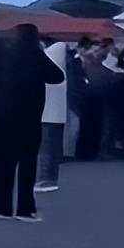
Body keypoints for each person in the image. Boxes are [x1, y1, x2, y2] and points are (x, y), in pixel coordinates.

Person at [0, 9, 63, 219]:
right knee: (28, 162)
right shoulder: (35, 56)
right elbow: (57, 77)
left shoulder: (3, 56)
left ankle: (1, 208)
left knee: (4, 163)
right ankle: (25, 208)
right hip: (29, 118)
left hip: (2, 116)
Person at [34, 39, 69, 192]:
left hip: (46, 112)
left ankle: (45, 179)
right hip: (55, 112)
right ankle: (50, 178)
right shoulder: (59, 61)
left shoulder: (54, 54)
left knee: (46, 149)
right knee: (52, 148)